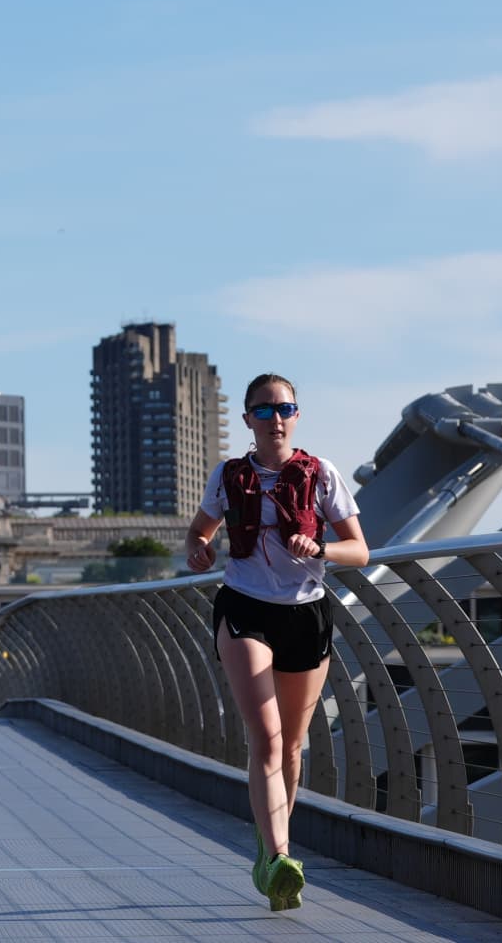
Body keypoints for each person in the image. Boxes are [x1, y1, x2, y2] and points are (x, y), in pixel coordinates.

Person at [184, 374, 368, 911]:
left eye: (285, 408)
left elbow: (360, 549)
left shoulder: (321, 473)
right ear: (247, 420)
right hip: (244, 607)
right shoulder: (228, 476)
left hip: (305, 613)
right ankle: (284, 856)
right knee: (264, 737)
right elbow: (199, 533)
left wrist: (322, 549)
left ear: (297, 415)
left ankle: (269, 850)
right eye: (263, 410)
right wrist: (198, 550)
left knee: (291, 745)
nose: (276, 418)